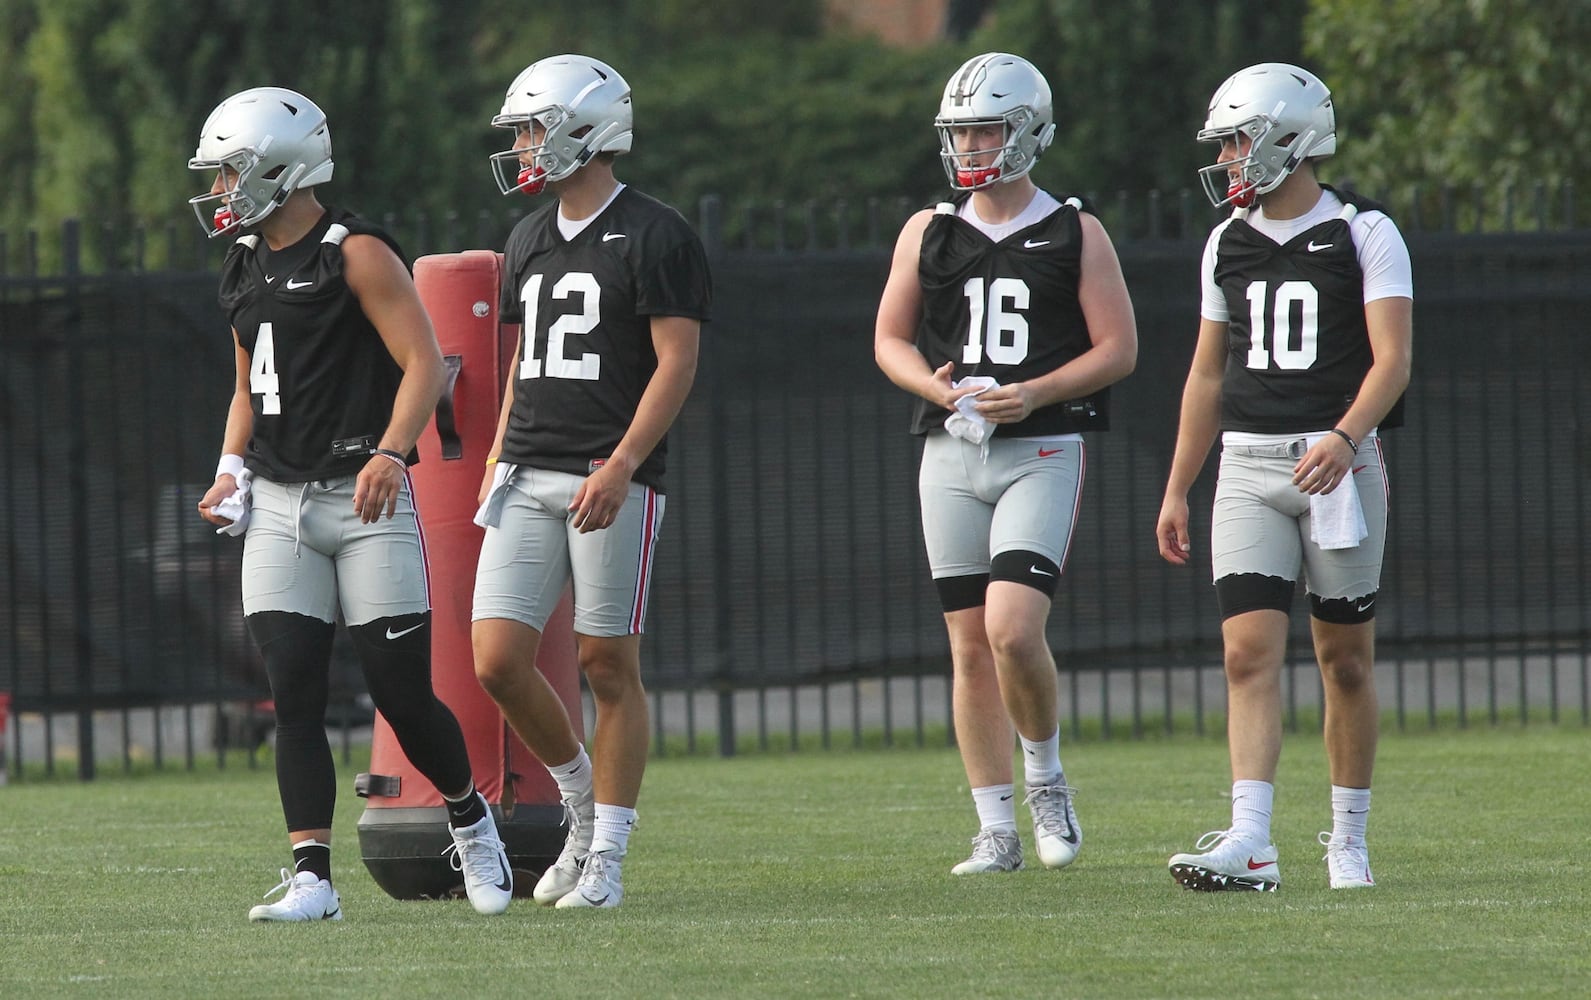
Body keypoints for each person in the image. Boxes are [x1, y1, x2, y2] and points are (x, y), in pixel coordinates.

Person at [192, 87, 513, 921]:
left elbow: (423, 364)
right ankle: (312, 880)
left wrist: (388, 451)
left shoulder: (354, 251)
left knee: (399, 692)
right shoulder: (242, 262)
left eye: (231, 171)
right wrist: (229, 468)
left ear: (280, 167)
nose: (221, 189)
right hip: (277, 505)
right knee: (292, 690)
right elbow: (245, 390)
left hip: (363, 500)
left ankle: (471, 821)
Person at [874, 53, 1138, 876]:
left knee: (1012, 632)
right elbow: (888, 339)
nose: (970, 145)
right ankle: (994, 826)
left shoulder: (1074, 230)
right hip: (951, 450)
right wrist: (931, 383)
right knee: (965, 645)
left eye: (985, 127)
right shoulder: (928, 229)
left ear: (1027, 130)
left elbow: (1119, 349)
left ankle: (1045, 777)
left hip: (1041, 447)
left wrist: (1034, 393)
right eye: (960, 131)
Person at [1155, 63, 1413, 891]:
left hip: (1334, 464)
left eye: (1239, 139)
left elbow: (1393, 361)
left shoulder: (1363, 232)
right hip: (1245, 465)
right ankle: (1250, 838)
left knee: (1343, 659)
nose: (1230, 157)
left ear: (1289, 139)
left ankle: (1346, 838)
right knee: (1245, 653)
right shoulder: (1224, 242)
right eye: (1226, 143)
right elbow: (1203, 376)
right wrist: (1175, 486)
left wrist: (1345, 434)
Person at [470, 54, 711, 910]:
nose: (525, 145)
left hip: (609, 474)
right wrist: (498, 457)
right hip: (528, 467)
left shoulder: (657, 231)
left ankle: (607, 854)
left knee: (605, 662)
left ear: (585, 128)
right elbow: (522, 368)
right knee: (497, 659)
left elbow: (675, 362)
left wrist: (620, 464)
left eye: (534, 126)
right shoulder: (529, 234)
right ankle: (577, 801)